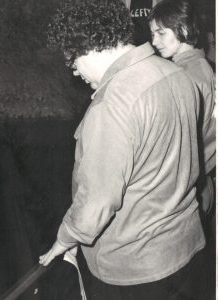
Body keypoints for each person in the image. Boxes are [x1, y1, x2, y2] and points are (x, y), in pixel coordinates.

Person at [39, 0, 208, 298]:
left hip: (135, 270)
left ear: (90, 47)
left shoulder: (111, 106)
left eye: (73, 61)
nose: (75, 72)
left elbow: (98, 201)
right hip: (187, 249)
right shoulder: (177, 74)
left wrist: (65, 238)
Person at [149, 0, 216, 217]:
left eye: (161, 33)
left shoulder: (185, 76)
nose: (154, 41)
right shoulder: (202, 66)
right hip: (201, 181)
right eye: (152, 34)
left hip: (186, 188)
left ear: (184, 29)